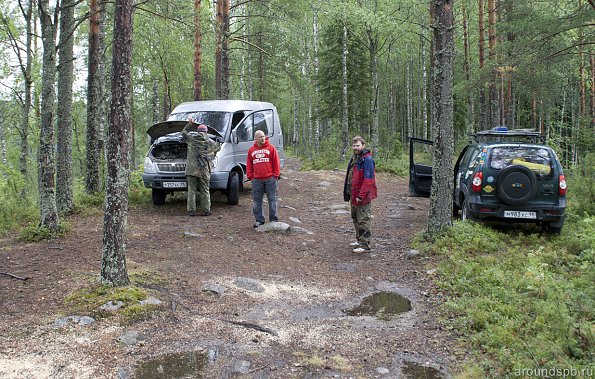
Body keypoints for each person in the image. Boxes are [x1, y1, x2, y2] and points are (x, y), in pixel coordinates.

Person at [343, 136, 377, 253]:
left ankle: (365, 244)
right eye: (354, 145)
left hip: (362, 196)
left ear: (363, 145)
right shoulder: (355, 158)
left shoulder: (367, 160)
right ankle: (359, 240)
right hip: (353, 194)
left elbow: (368, 180)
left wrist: (361, 196)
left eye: (357, 145)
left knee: (363, 219)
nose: (355, 148)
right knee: (355, 218)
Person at [182, 118, 220, 216]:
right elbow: (218, 148)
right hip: (204, 169)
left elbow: (184, 132)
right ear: (206, 132)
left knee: (191, 190)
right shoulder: (211, 142)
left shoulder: (192, 139)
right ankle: (206, 210)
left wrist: (189, 124)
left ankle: (191, 211)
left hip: (191, 169)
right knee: (205, 190)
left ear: (198, 131)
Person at [246, 130, 281, 227]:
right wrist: (250, 177)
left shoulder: (271, 148)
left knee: (272, 199)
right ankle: (259, 220)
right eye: (260, 137)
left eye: (263, 136)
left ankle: (273, 219)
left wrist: (275, 176)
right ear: (256, 138)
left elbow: (276, 163)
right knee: (257, 201)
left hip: (270, 179)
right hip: (257, 180)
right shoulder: (251, 150)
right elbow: (249, 165)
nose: (263, 138)